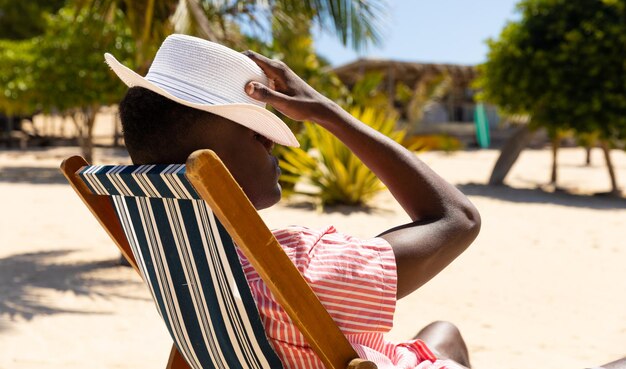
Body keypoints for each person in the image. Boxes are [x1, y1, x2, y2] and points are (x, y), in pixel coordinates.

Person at [108, 34, 480, 369]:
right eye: (255, 132)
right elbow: (458, 218)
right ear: (211, 161)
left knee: (442, 332)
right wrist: (328, 113)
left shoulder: (179, 259)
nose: (271, 142)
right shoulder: (296, 266)